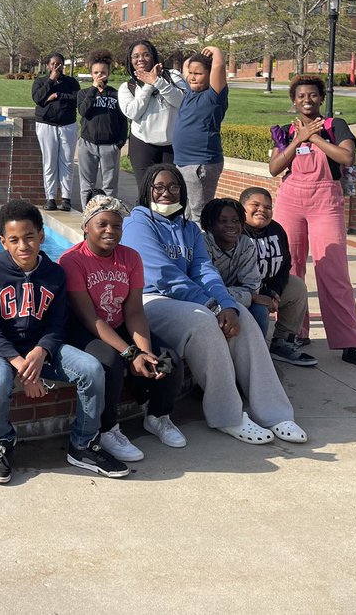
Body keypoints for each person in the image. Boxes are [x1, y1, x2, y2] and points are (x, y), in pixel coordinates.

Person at [120, 164, 307, 445]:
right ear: (147, 190)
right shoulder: (138, 222)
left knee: (241, 315)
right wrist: (212, 306)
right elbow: (162, 274)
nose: (166, 193)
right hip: (150, 300)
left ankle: (274, 412)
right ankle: (228, 416)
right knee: (203, 321)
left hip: (188, 298)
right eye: (159, 187)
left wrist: (226, 304)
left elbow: (204, 270)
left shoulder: (188, 228)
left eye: (173, 187)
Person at [0, 199, 127, 484]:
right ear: (3, 242)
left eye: (29, 237)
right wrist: (23, 365)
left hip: (43, 348)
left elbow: (58, 325)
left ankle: (83, 445)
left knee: (92, 369)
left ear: (42, 236)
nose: (24, 246)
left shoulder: (55, 274)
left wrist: (41, 351)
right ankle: (0, 445)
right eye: (14, 240)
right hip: (2, 350)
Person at [59, 196, 187, 462]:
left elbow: (134, 311)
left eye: (116, 226)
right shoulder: (72, 260)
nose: (110, 231)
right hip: (85, 330)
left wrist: (144, 352)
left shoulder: (130, 257)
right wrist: (129, 354)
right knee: (110, 363)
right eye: (102, 224)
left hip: (119, 324)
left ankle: (157, 416)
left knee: (168, 359)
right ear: (86, 227)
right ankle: (107, 429)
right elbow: (89, 317)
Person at [269, 76, 356, 372]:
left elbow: (346, 156)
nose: (307, 99)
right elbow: (274, 168)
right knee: (289, 270)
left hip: (325, 201)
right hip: (290, 200)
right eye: (301, 96)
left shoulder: (336, 126)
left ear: (321, 98)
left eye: (313, 95)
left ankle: (350, 343)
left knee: (333, 270)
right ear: (293, 101)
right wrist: (297, 139)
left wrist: (315, 137)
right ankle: (293, 334)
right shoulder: (284, 131)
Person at [239, 187, 317, 367]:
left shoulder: (276, 229)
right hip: (244, 293)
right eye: (255, 205)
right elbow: (236, 274)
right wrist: (265, 294)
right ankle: (250, 355)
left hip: (269, 290)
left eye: (267, 207)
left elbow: (284, 265)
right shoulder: (236, 231)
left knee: (297, 287)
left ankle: (283, 343)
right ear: (242, 207)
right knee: (259, 310)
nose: (262, 210)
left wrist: (274, 291)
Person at [117, 39, 186, 196]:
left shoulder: (173, 76)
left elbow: (181, 101)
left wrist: (157, 81)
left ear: (153, 57)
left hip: (172, 145)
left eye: (145, 54)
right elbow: (133, 112)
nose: (140, 59)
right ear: (130, 61)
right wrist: (148, 85)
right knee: (147, 193)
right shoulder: (127, 87)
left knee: (173, 192)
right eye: (136, 56)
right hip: (143, 144)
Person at [173, 45, 229, 223]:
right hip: (184, 163)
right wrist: (194, 58)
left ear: (210, 74)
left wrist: (216, 51)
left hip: (201, 164)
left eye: (198, 74)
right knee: (186, 213)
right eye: (191, 73)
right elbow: (186, 67)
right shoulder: (190, 92)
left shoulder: (214, 96)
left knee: (200, 216)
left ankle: (204, 250)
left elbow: (219, 67)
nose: (192, 77)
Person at [200, 198, 265, 338]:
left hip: (235, 298)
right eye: (223, 221)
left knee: (260, 309)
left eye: (236, 221)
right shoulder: (202, 244)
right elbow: (205, 290)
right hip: (204, 302)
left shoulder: (245, 244)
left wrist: (249, 296)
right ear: (210, 225)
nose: (231, 225)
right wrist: (250, 297)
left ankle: (262, 354)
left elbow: (252, 287)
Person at [75, 48, 128, 205]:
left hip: (109, 145)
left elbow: (123, 120)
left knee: (110, 186)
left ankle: (109, 215)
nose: (100, 75)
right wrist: (93, 89)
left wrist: (119, 143)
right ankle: (88, 217)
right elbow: (83, 111)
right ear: (91, 74)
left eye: (103, 72)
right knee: (87, 185)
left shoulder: (115, 94)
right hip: (87, 143)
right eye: (96, 72)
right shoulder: (84, 93)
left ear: (108, 73)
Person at [31, 52, 80, 211]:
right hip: (46, 125)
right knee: (49, 162)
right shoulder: (41, 81)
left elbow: (77, 99)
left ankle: (66, 199)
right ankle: (50, 198)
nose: (56, 67)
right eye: (53, 64)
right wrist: (51, 80)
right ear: (48, 66)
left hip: (67, 125)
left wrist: (58, 95)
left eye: (59, 64)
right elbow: (38, 98)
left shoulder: (71, 82)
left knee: (67, 162)